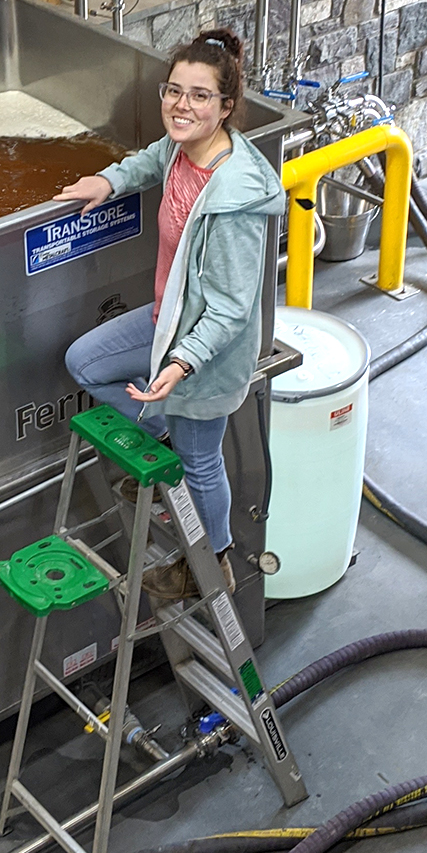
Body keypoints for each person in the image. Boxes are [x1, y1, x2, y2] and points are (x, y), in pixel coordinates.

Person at [56, 29, 286, 601]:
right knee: (85, 362)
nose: (182, 105)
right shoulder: (183, 150)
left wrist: (182, 364)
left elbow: (233, 308)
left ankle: (213, 562)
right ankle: (159, 447)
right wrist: (108, 180)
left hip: (207, 352)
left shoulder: (234, 198)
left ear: (227, 107)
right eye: (174, 90)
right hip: (167, 320)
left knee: (201, 459)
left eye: (200, 96)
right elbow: (154, 158)